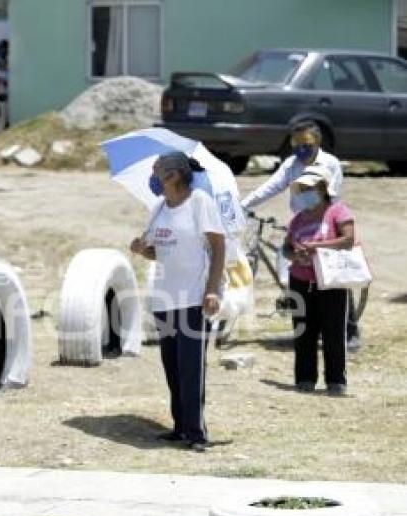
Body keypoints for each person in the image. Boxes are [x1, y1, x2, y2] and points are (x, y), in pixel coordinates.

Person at [130, 152, 226, 452]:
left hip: (193, 297)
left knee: (191, 367)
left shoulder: (200, 203)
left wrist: (212, 290)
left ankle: (196, 433)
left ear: (173, 175)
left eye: (157, 171)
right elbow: (159, 252)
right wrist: (141, 249)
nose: (153, 177)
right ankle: (179, 426)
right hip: (164, 298)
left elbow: (218, 248)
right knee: (171, 366)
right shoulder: (159, 207)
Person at [240, 120, 360, 350]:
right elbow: (271, 186)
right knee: (298, 276)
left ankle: (350, 331)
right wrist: (243, 205)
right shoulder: (291, 164)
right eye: (295, 143)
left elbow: (331, 195)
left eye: (305, 143)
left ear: (317, 142)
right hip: (299, 224)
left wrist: (321, 230)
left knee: (333, 278)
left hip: (325, 222)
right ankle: (307, 330)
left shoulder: (330, 163)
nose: (300, 149)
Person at [283, 165, 354, 396]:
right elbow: (286, 247)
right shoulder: (298, 219)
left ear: (322, 189)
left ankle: (335, 380)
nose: (303, 193)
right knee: (303, 331)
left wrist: (316, 247)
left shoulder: (338, 211)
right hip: (301, 281)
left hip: (330, 281)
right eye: (301, 189)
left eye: (308, 189)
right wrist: (296, 255)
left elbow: (348, 240)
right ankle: (305, 378)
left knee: (333, 331)